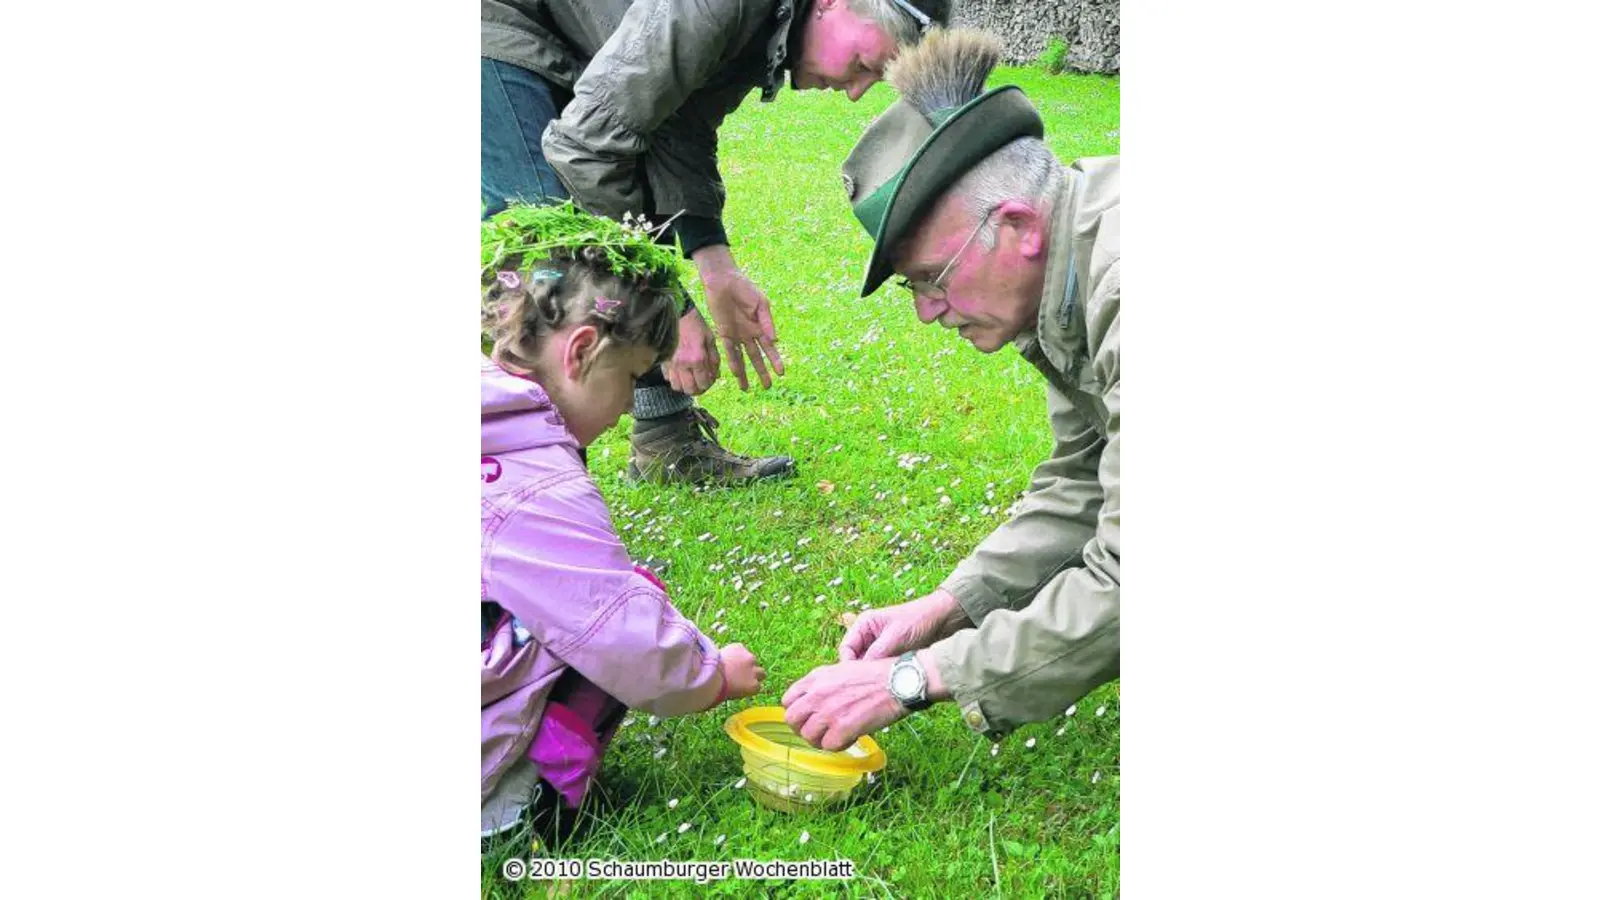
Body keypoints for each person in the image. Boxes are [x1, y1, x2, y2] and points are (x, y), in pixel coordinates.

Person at [781, 28, 1120, 750]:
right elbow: (1084, 480)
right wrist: (948, 606)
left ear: (1017, 226)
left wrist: (915, 677)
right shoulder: (1063, 276)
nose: (927, 312)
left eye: (931, 279)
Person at [482, 0, 953, 484]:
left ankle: (663, 439)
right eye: (863, 66)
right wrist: (672, 302)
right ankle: (533, 499)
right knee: (548, 260)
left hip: (565, 31)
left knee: (619, 191)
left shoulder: (766, 26)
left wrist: (716, 265)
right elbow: (586, 148)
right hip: (502, 22)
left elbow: (677, 122)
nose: (855, 92)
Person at [480, 204, 768, 839]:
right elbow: (619, 630)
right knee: (616, 606)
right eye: (634, 377)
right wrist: (714, 675)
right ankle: (514, 808)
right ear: (583, 351)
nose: (625, 408)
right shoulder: (539, 484)